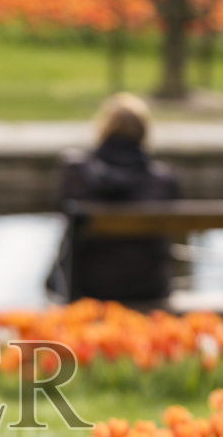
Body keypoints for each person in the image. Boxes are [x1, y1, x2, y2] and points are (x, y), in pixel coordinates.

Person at [47, 93, 180, 305]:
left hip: (87, 286)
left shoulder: (75, 172)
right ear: (143, 132)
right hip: (148, 288)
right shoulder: (163, 180)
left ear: (103, 128)